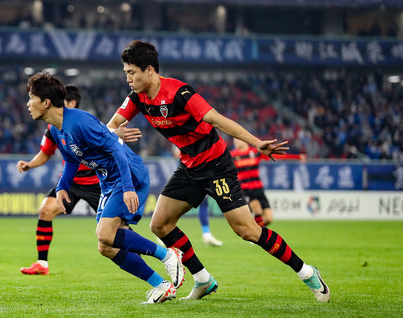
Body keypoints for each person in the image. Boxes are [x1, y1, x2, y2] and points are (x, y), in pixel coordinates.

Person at [107, 40, 330, 302]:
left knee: (247, 231)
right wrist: (115, 131)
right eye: (126, 73)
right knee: (160, 225)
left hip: (216, 166)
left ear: (149, 70)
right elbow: (110, 126)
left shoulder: (180, 93)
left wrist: (257, 143)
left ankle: (307, 272)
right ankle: (203, 280)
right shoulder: (137, 98)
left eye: (131, 72)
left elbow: (218, 120)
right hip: (189, 167)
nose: (128, 79)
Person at [24, 72, 185, 304]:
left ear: (46, 102)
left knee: (105, 234)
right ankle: (161, 286)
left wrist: (128, 187)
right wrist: (62, 187)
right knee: (105, 246)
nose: (28, 103)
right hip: (108, 180)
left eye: (31, 97)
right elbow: (71, 160)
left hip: (127, 174)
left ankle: (169, 255)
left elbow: (117, 149)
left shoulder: (79, 122)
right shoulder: (57, 129)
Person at [18, 85, 101, 276]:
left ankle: (160, 253)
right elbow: (46, 152)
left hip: (97, 183)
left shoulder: (84, 123)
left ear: (72, 103)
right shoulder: (53, 127)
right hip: (70, 182)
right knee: (45, 210)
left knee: (116, 232)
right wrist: (29, 165)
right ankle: (42, 264)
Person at [231, 137, 306, 227]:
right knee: (256, 207)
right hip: (245, 189)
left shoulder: (255, 152)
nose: (235, 142)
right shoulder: (232, 155)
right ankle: (258, 237)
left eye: (237, 139)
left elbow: (276, 156)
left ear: (244, 140)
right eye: (234, 140)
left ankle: (255, 231)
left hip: (258, 188)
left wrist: (297, 157)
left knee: (269, 218)